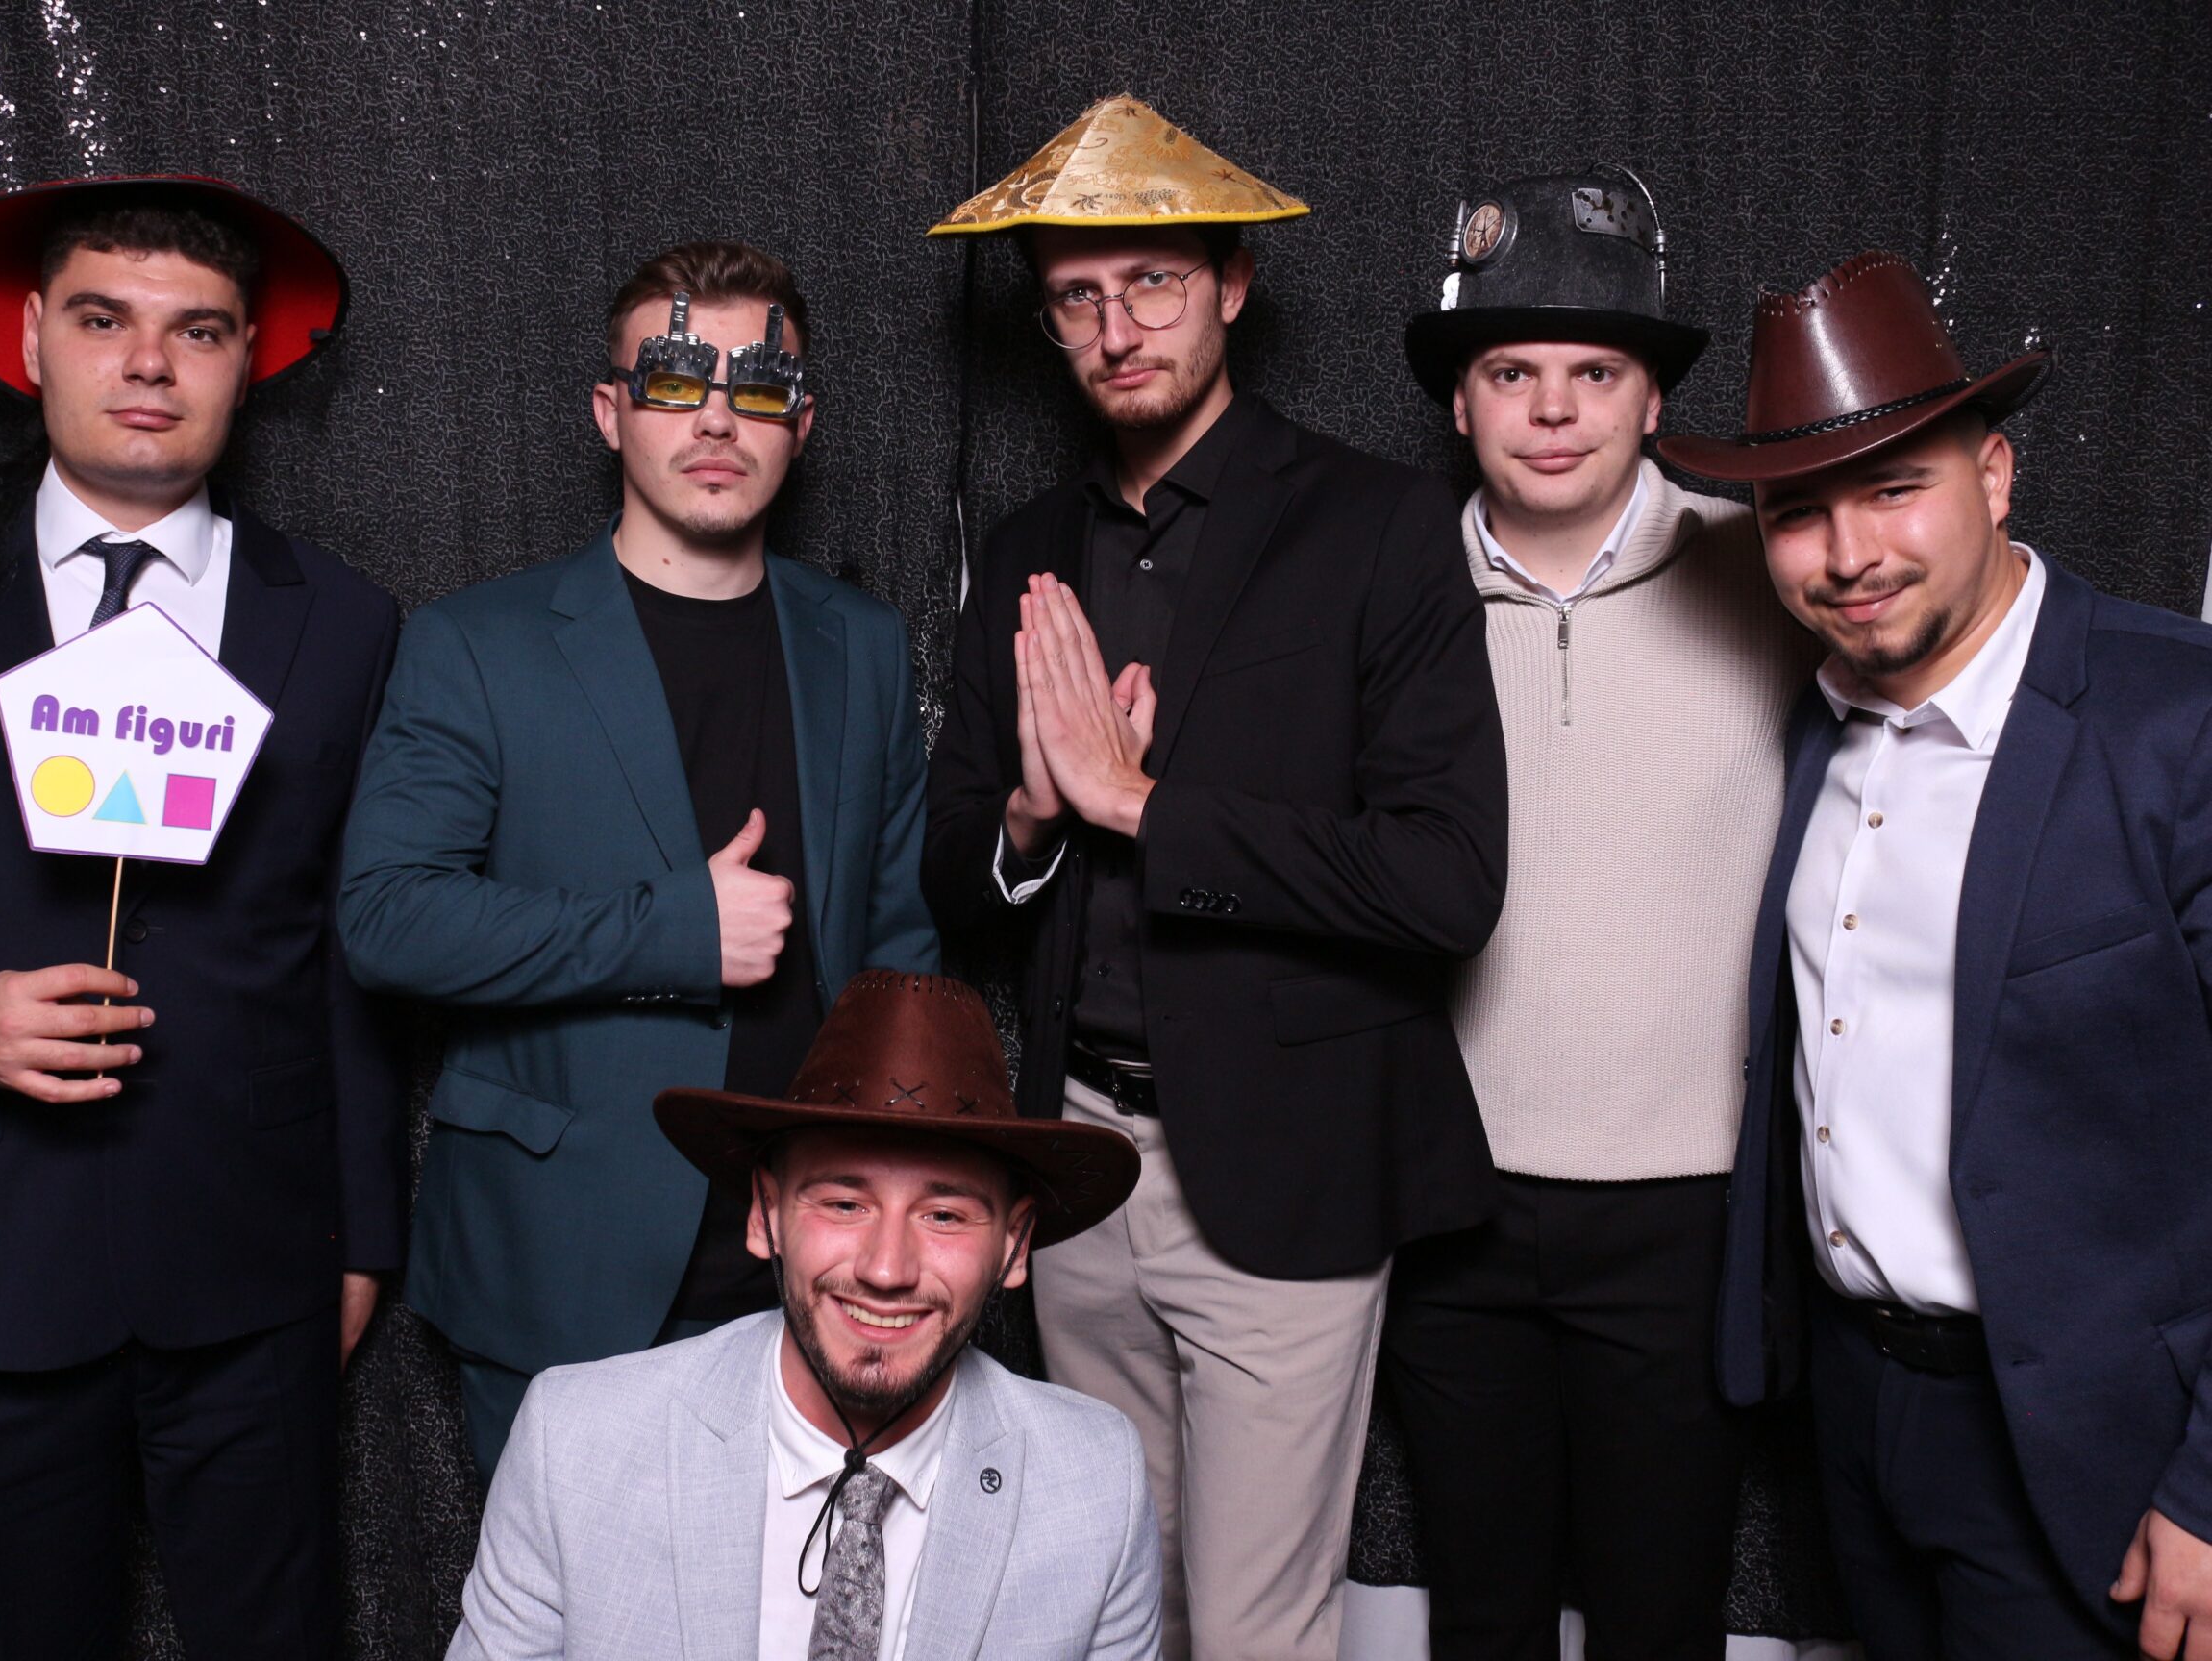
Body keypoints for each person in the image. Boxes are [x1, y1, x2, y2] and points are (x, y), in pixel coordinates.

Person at [0, 176, 403, 1660]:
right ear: (36, 337)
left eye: (199, 330)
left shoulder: (343, 619)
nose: (150, 363)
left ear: (250, 358)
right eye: (107, 321)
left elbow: (350, 948)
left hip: (254, 1273)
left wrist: (362, 1235)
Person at [923, 94, 1509, 1659]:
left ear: (1233, 285)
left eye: (1154, 283)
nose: (1118, 329)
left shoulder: (1379, 526)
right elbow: (960, 877)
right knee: (1116, 1612)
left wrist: (1141, 805)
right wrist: (1034, 818)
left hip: (1286, 1165)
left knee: (1253, 1630)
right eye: (1077, 298)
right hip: (1080, 1161)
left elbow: (1448, 881)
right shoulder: (1027, 551)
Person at [1663, 251, 2212, 1659]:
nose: (1849, 556)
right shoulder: (1817, 719)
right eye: (1798, 513)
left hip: (2098, 1441)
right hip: (1856, 1411)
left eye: (1895, 490)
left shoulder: (2177, 718)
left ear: (1997, 474)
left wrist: (2207, 1490)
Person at [339, 241, 937, 1481]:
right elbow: (389, 920)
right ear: (610, 412)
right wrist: (674, 930)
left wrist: (909, 1196)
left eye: (757, 386)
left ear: (800, 424)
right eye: (673, 380)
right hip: (565, 1255)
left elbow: (897, 943)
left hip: (817, 1264)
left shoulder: (864, 645)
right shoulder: (477, 643)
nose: (716, 418)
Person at [1382, 169, 1814, 1657]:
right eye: (1513, 372)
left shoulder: (1767, 572)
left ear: (1653, 399)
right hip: (1454, 1201)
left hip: (1684, 1210)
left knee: (1658, 1615)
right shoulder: (1387, 592)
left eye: (1596, 372)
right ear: (1460, 405)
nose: (1554, 408)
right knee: (1483, 1616)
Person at [446, 969, 1159, 1659]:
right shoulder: (575, 1446)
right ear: (765, 1214)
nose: (887, 1270)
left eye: (944, 1215)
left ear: (1015, 1243)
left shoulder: (1096, 1488)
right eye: (844, 1204)